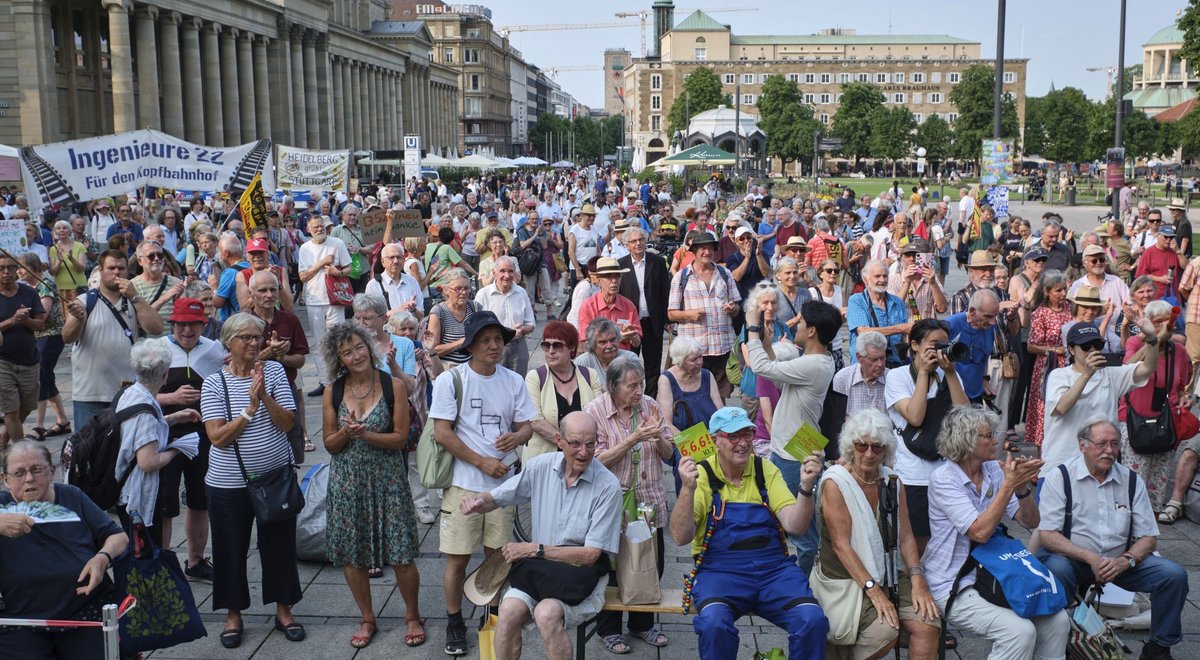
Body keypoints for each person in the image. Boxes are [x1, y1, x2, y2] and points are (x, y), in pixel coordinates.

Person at [458, 412, 622, 660]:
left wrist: (535, 549)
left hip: (579, 576)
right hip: (539, 572)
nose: (584, 452)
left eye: (591, 444)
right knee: (508, 611)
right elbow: (499, 496)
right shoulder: (541, 466)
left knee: (546, 614)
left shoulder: (608, 486)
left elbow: (590, 556)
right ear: (559, 440)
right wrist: (477, 501)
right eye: (575, 443)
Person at [670, 407, 829, 659]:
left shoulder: (765, 470)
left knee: (812, 619)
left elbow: (795, 526)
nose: (743, 443)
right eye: (733, 436)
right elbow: (680, 537)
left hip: (773, 570)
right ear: (715, 440)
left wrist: (806, 487)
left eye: (747, 434)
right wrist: (687, 489)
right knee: (713, 624)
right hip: (720, 570)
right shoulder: (700, 476)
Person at [429, 310, 536, 656]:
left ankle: (492, 616)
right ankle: (454, 620)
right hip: (463, 482)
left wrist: (516, 438)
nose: (494, 346)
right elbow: (442, 434)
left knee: (498, 556)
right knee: (457, 557)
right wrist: (481, 462)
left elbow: (527, 426)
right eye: (486, 340)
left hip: (503, 486)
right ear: (471, 345)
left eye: (499, 340)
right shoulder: (451, 380)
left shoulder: (513, 380)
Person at [925, 406, 1068, 659]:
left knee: (1058, 621)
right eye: (988, 435)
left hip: (995, 573)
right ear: (967, 441)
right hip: (954, 580)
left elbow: (1030, 521)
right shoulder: (943, 478)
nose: (995, 440)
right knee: (1019, 632)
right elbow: (979, 532)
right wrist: (1009, 485)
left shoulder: (992, 469)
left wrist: (1022, 488)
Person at [1038, 419, 1188, 660]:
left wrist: (1125, 560)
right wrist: (1091, 558)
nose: (1109, 450)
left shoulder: (1130, 479)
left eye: (1115, 444)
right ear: (1082, 445)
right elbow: (1048, 535)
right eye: (1102, 444)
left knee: (1172, 575)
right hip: (1073, 558)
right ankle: (1062, 638)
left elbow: (1149, 537)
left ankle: (1159, 647)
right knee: (1055, 568)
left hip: (1120, 561)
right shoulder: (1061, 477)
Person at [200, 312, 302, 649]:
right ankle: (233, 614)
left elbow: (288, 423)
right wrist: (249, 408)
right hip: (228, 484)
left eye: (257, 337)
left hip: (274, 479)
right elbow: (217, 437)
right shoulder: (214, 382)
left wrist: (266, 398)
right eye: (245, 337)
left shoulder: (273, 372)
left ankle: (283, 610)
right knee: (230, 550)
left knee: (279, 546)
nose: (253, 343)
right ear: (228, 342)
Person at [319, 322, 424, 649]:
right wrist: (344, 434)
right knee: (353, 556)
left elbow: (401, 439)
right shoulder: (332, 391)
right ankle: (367, 618)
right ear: (339, 358)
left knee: (402, 555)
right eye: (347, 352)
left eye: (359, 347)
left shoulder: (394, 386)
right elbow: (329, 444)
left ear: (369, 346)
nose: (355, 355)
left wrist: (366, 434)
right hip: (347, 484)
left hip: (388, 482)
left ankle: (412, 615)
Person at [816, 409, 941, 660]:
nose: (869, 454)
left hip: (887, 572)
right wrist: (875, 592)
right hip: (847, 579)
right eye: (862, 446)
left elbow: (906, 537)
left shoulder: (892, 481)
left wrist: (917, 578)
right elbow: (841, 546)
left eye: (877, 447)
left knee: (928, 622)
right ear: (851, 447)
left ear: (887, 450)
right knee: (885, 631)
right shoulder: (835, 483)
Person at [0, 441, 131, 659]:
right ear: (5, 479)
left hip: (83, 612)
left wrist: (102, 557)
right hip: (18, 620)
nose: (29, 479)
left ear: (52, 471)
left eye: (37, 469)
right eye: (19, 473)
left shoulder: (72, 496)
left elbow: (118, 536)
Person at [584, 357, 674, 653]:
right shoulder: (595, 411)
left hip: (648, 500)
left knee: (650, 561)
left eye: (640, 384)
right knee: (610, 566)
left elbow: (666, 452)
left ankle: (642, 623)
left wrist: (657, 437)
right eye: (631, 385)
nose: (639, 391)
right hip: (614, 504)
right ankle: (608, 629)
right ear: (612, 386)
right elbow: (593, 460)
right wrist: (634, 438)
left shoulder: (649, 405)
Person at [745, 299, 841, 572]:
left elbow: (762, 368)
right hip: (793, 447)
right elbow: (778, 378)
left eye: (800, 321)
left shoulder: (815, 365)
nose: (796, 325)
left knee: (802, 532)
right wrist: (765, 344)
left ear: (811, 331)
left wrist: (753, 328)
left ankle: (802, 587)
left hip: (793, 454)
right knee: (788, 519)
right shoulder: (813, 361)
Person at [885, 319, 969, 552]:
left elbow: (965, 417)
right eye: (934, 344)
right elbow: (915, 417)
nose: (941, 350)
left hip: (948, 471)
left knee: (946, 540)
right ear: (914, 345)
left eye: (945, 344)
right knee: (918, 540)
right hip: (913, 475)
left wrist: (950, 374)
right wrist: (923, 373)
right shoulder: (898, 376)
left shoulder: (948, 374)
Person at [1042, 320, 1162, 481]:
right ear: (1071, 349)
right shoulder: (1059, 375)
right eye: (1085, 347)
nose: (1092, 351)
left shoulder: (1111, 374)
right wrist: (1086, 374)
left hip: (1099, 468)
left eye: (1097, 345)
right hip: (1061, 464)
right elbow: (1061, 408)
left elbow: (1148, 367)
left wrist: (1153, 338)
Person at [114, 337, 203, 544]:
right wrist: (177, 449)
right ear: (165, 375)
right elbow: (149, 462)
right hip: (138, 495)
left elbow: (136, 429)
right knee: (145, 551)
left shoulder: (129, 394)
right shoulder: (147, 410)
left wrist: (173, 418)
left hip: (123, 488)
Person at [63, 250, 163, 431]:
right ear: (100, 270)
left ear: (127, 272)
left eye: (121, 268)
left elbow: (156, 327)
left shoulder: (134, 301)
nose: (116, 272)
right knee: (88, 452)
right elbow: (67, 336)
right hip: (90, 395)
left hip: (127, 394)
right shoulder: (84, 301)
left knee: (124, 451)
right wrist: (78, 319)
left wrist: (135, 297)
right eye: (111, 268)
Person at [1115, 301, 1188, 512]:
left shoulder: (1180, 351)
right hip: (1135, 422)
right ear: (1147, 324)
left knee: (1158, 487)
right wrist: (1153, 342)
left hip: (1165, 424)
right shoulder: (1134, 344)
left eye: (1168, 321)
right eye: (1157, 322)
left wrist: (1185, 398)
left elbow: (1181, 387)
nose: (1165, 326)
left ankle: (1150, 532)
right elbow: (1126, 370)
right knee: (1134, 485)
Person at [668, 232, 742, 397]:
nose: (707, 252)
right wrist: (689, 314)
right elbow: (671, 314)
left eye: (710, 248)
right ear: (694, 251)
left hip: (722, 347)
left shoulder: (724, 274)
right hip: (694, 351)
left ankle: (720, 423)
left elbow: (737, 307)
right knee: (694, 395)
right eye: (703, 248)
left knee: (721, 396)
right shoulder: (681, 278)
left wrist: (733, 308)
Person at [523, 321, 604, 459]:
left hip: (582, 458)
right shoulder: (534, 377)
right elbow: (536, 422)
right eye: (546, 345)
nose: (551, 351)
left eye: (557, 345)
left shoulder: (590, 375)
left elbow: (598, 416)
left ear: (572, 348)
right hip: (544, 458)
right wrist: (569, 445)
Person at [298, 214, 352, 397]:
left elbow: (349, 268)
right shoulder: (305, 249)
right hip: (314, 301)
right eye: (315, 227)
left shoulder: (337, 243)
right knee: (321, 343)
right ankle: (325, 381)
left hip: (335, 300)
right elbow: (303, 276)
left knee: (338, 339)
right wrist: (321, 263)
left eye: (321, 226)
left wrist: (337, 272)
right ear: (308, 229)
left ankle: (342, 378)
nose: (319, 229)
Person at [618, 226, 671, 396]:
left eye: (640, 240)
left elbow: (665, 291)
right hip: (630, 324)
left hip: (653, 322)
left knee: (653, 366)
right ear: (627, 245)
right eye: (633, 241)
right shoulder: (621, 265)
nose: (638, 243)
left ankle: (651, 401)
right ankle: (629, 397)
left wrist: (667, 319)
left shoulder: (658, 262)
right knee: (628, 365)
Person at [1024, 271, 1072, 447]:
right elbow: (1031, 346)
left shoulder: (1070, 308)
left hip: (1068, 366)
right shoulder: (1041, 313)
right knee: (1044, 412)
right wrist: (1055, 350)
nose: (1063, 294)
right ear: (1047, 292)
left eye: (1064, 289)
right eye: (1058, 291)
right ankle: (1041, 461)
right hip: (1047, 368)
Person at [474, 256, 537, 375]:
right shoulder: (483, 295)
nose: (507, 275)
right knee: (494, 385)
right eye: (502, 271)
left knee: (518, 384)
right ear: (494, 273)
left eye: (510, 271)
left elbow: (531, 324)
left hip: (518, 347)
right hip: (492, 348)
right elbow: (476, 326)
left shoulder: (521, 293)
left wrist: (521, 330)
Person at [847, 259, 911, 366]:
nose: (882, 280)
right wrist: (901, 328)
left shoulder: (897, 302)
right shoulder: (856, 300)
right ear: (865, 279)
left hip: (894, 363)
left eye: (885, 276)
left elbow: (904, 337)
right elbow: (863, 332)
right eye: (877, 276)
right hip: (866, 365)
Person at [944, 288, 1002, 404]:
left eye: (995, 316)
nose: (993, 322)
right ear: (972, 311)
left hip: (975, 395)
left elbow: (984, 356)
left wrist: (984, 379)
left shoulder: (989, 327)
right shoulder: (951, 325)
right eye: (988, 316)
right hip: (950, 395)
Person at [657, 335, 723, 435]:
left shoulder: (707, 375)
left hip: (712, 437)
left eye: (701, 357)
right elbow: (667, 424)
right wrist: (694, 445)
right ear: (680, 360)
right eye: (693, 359)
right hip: (682, 441)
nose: (700, 362)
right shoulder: (666, 380)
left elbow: (721, 413)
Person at [130, 239, 184, 339]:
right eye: (151, 256)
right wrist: (164, 298)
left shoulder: (176, 283)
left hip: (172, 346)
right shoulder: (132, 286)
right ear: (140, 261)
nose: (156, 259)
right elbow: (136, 321)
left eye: (160, 255)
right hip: (147, 347)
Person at [428, 268, 479, 368]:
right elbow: (433, 350)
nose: (463, 292)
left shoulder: (475, 308)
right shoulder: (438, 312)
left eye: (466, 288)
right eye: (458, 288)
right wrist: (463, 341)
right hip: (448, 369)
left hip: (473, 368)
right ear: (446, 290)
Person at [1135, 224, 1179, 298]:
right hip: (1156, 299)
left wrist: (1178, 251)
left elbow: (1186, 266)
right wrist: (1160, 279)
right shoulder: (1149, 252)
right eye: (1165, 237)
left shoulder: (1174, 252)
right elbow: (1140, 276)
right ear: (1158, 236)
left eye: (1171, 237)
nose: (1168, 240)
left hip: (1173, 297)